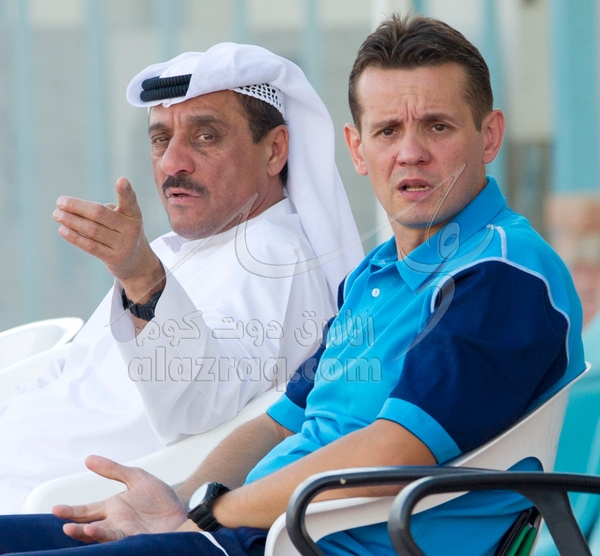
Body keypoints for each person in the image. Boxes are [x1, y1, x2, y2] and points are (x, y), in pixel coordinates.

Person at [0, 14, 585, 556]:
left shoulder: (501, 274)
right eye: (387, 130)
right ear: (357, 149)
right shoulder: (376, 275)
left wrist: (209, 514)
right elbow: (281, 420)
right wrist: (178, 498)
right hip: (251, 529)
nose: (410, 153)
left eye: (437, 126)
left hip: (307, 541)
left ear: (490, 136)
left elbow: (394, 451)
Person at [0, 43, 363, 514]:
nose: (172, 163)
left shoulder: (277, 260)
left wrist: (143, 279)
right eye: (160, 140)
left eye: (205, 136)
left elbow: (197, 401)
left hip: (58, 508)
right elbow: (72, 370)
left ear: (274, 151)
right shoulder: (179, 250)